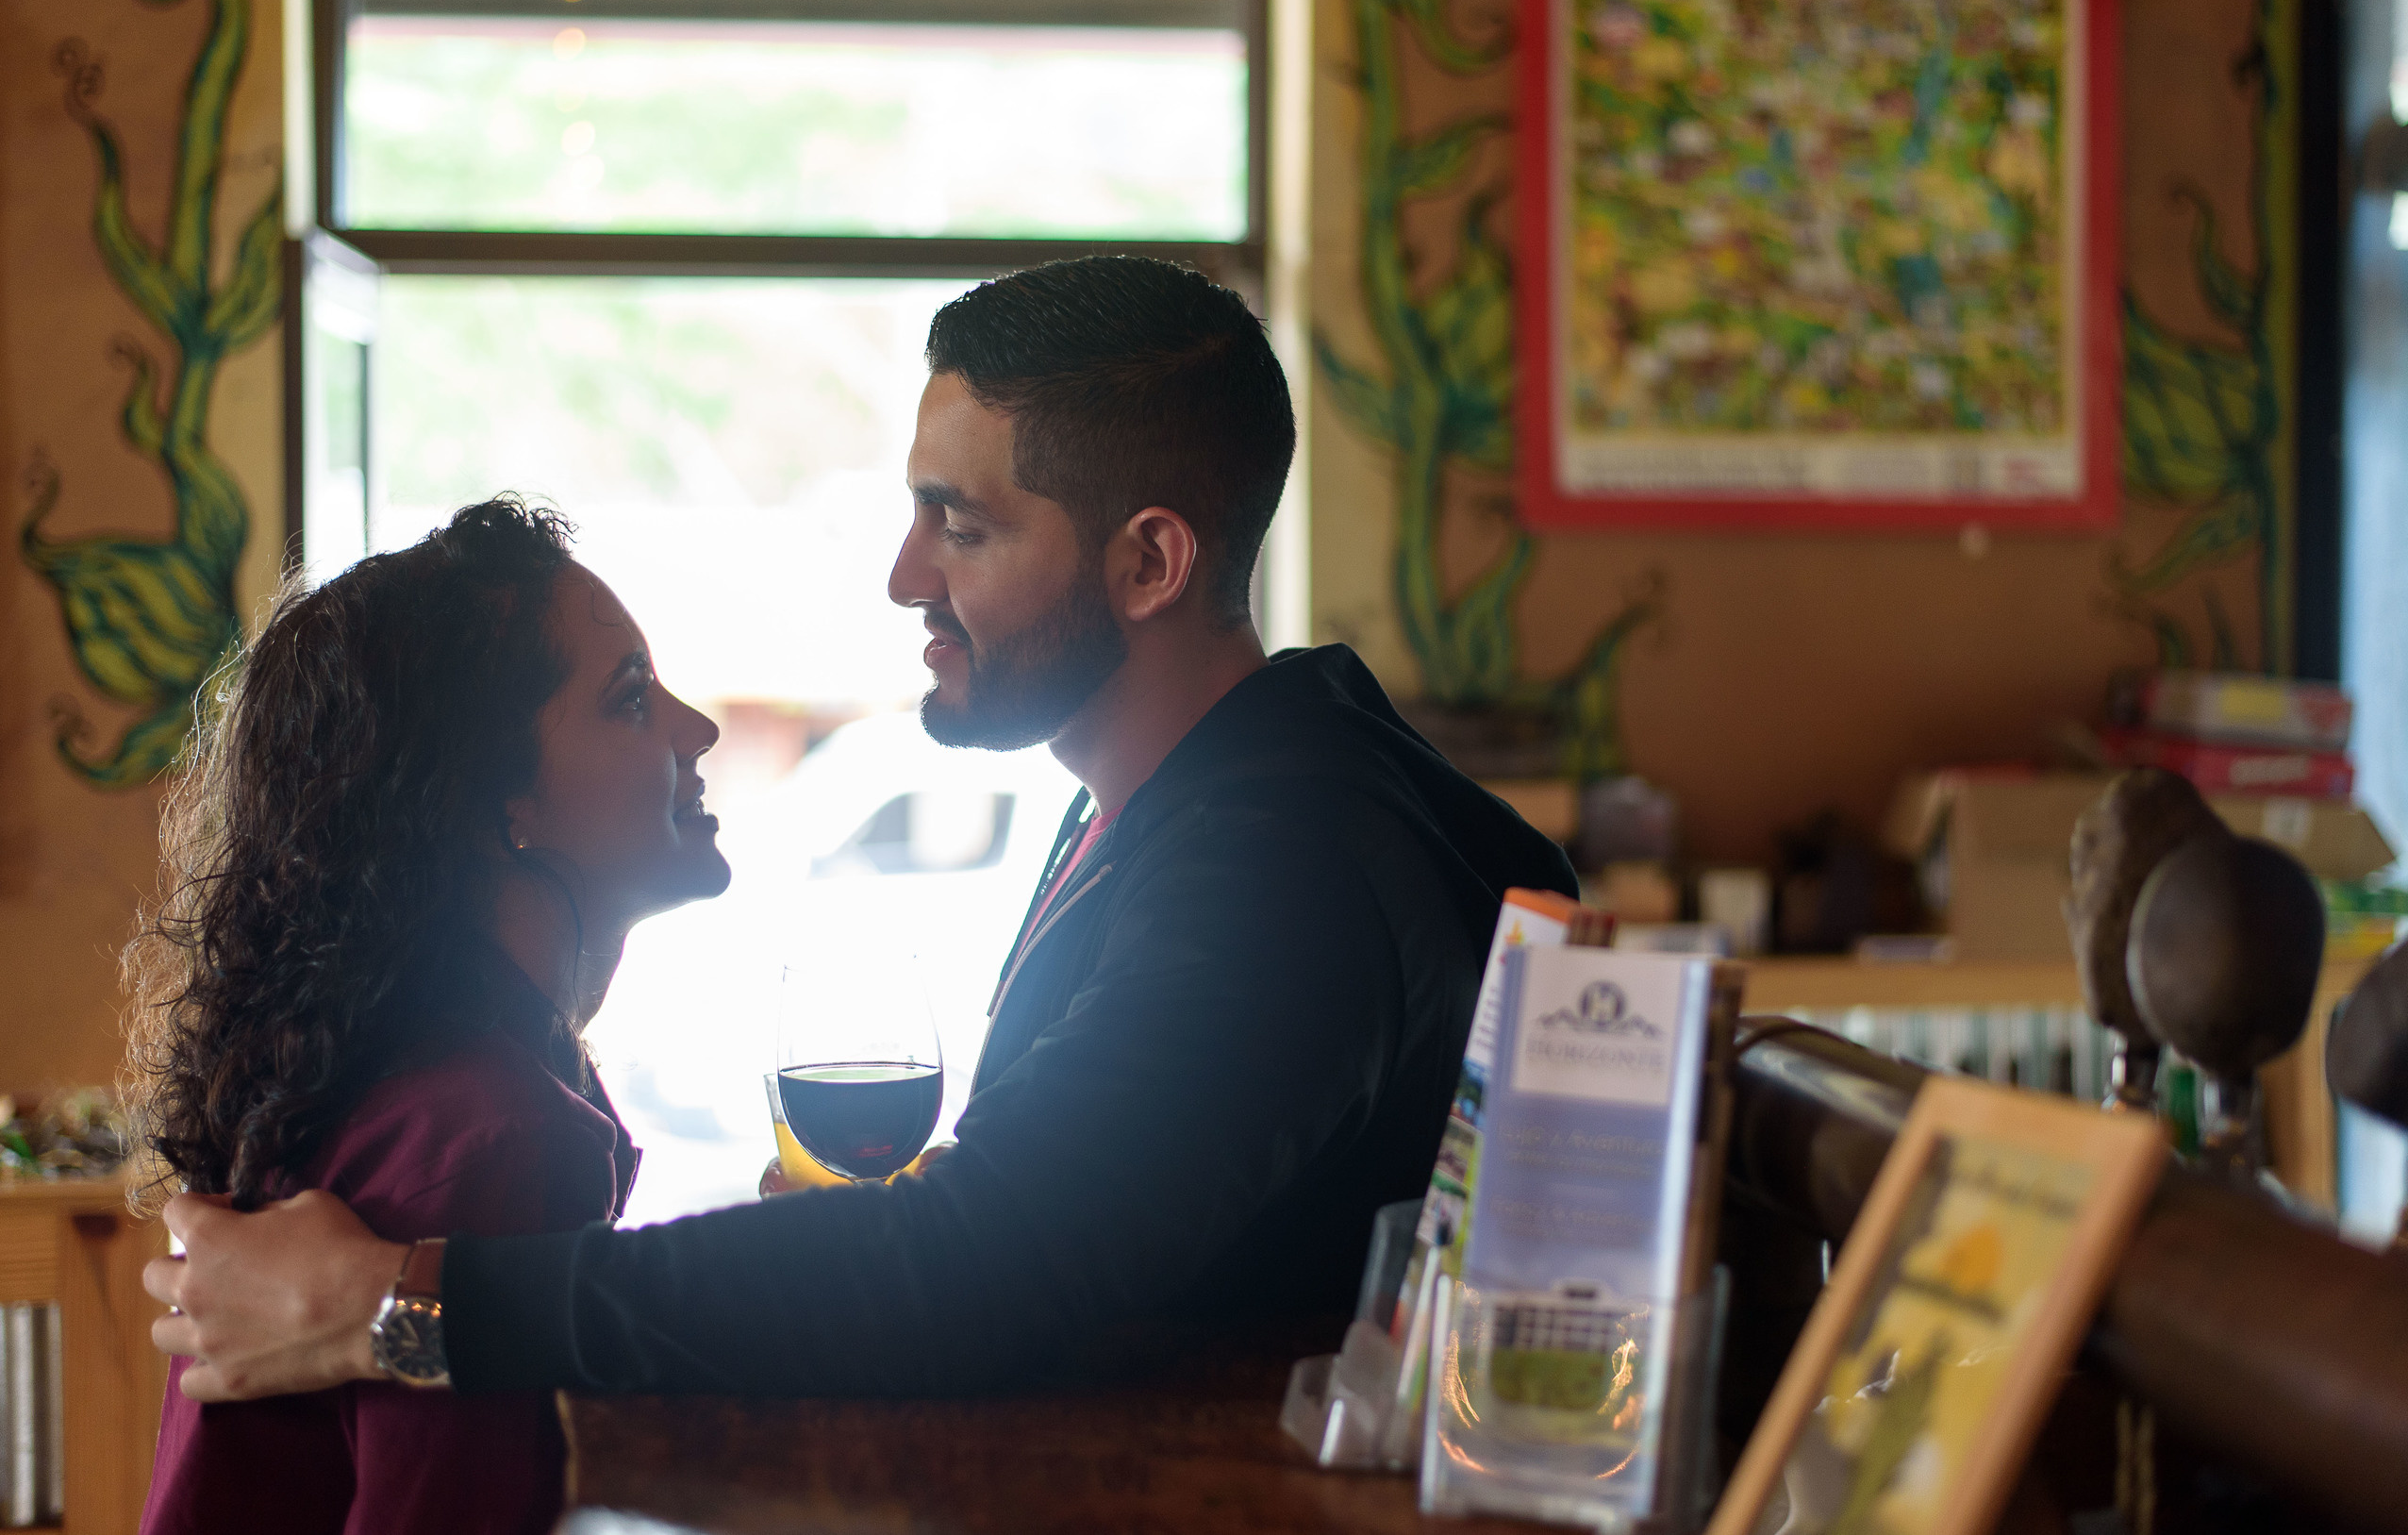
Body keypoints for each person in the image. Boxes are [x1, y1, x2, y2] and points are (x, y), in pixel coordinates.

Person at [146, 255, 1580, 1402]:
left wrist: (396, 1305)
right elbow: (1071, 1211)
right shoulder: (1181, 796)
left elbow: (981, 1270)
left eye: (960, 525)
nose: (904, 576)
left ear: (1149, 560)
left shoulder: (1283, 863)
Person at [126, 500, 728, 1533]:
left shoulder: (407, 1069)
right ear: (501, 804)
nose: (697, 728)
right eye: (630, 699)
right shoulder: (494, 1132)